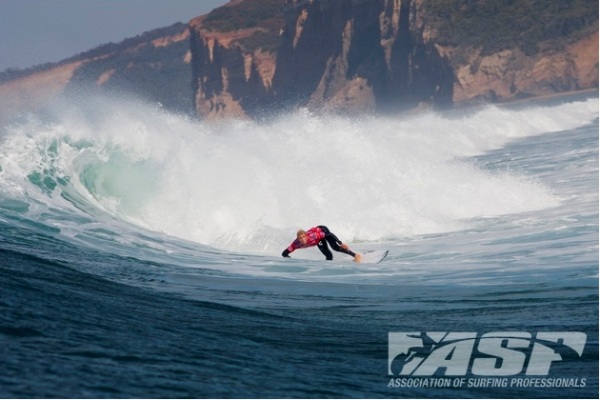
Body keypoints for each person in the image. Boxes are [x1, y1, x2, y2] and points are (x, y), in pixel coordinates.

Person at [281, 225, 362, 262]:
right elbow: (284, 253)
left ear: (306, 236)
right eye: (300, 238)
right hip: (319, 240)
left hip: (323, 231)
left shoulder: (313, 236)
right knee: (328, 255)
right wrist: (289, 260)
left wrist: (340, 243)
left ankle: (356, 256)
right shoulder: (296, 244)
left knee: (335, 247)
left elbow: (329, 235)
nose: (302, 240)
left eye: (303, 237)